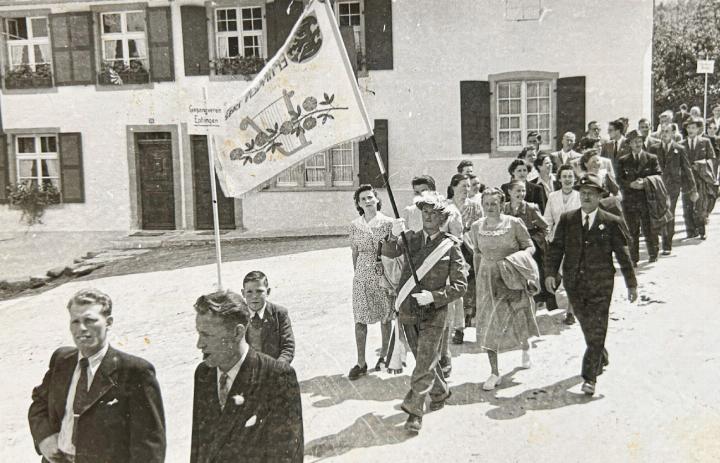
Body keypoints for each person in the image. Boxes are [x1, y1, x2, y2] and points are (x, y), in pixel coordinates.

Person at [29, 289, 166, 463]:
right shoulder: (61, 360)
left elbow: (149, 445)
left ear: (108, 323)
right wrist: (44, 438)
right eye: (75, 321)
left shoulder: (135, 371)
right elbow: (39, 403)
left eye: (90, 320)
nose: (81, 329)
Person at [382, 191, 467, 433]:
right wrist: (391, 234)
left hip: (435, 312)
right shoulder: (410, 239)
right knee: (425, 360)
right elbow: (389, 254)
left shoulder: (450, 247)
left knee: (423, 363)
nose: (429, 217)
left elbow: (461, 286)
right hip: (409, 308)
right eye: (425, 212)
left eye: (434, 213)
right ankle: (440, 391)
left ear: (443, 218)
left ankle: (414, 412)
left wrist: (435, 296)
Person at [545, 174, 638, 396]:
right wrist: (550, 274)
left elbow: (623, 256)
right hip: (574, 283)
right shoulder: (568, 219)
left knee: (598, 326)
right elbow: (556, 248)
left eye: (591, 193)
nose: (585, 196)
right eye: (583, 193)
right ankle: (600, 354)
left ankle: (590, 378)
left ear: (599, 196)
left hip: (601, 284)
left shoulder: (611, 221)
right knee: (588, 325)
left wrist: (631, 284)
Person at [191, 290, 303, 463]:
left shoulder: (277, 377)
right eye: (199, 333)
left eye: (207, 335)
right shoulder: (203, 374)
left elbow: (288, 455)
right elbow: (199, 447)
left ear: (237, 332)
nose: (199, 344)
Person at [467, 189, 540, 391]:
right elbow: (476, 254)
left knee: (518, 318)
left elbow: (530, 246)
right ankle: (494, 372)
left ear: (502, 204)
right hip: (487, 280)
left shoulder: (514, 223)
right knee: (489, 323)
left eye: (494, 203)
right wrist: (476, 283)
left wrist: (515, 261)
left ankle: (525, 347)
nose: (490, 208)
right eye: (487, 204)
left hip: (511, 277)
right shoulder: (476, 227)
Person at [348, 184, 394, 378]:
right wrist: (358, 274)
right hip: (361, 276)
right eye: (363, 199)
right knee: (360, 319)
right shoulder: (354, 225)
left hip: (382, 272)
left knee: (385, 316)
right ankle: (361, 362)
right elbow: (354, 252)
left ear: (377, 199)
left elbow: (393, 252)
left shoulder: (388, 223)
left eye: (370, 197)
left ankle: (384, 356)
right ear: (358, 204)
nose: (367, 201)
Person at [503, 180, 555, 312]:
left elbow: (545, 227)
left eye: (523, 190)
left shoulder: (531, 208)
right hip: (510, 249)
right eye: (518, 191)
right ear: (509, 192)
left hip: (529, 250)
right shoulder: (504, 208)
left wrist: (535, 240)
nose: (521, 194)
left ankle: (532, 313)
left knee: (531, 283)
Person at [445, 173, 483, 346]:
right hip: (451, 251)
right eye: (463, 186)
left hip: (470, 250)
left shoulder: (475, 206)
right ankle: (457, 328)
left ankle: (470, 323)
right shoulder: (445, 207)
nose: (467, 190)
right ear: (453, 188)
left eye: (468, 186)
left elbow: (481, 229)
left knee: (472, 288)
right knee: (454, 290)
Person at [647, 125, 698, 254]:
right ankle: (656, 244)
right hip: (656, 187)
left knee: (669, 213)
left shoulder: (679, 149)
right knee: (657, 213)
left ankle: (667, 245)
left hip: (673, 188)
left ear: (673, 133)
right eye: (662, 132)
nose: (664, 134)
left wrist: (693, 189)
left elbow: (687, 169)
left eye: (667, 132)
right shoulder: (653, 148)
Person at [617, 130, 663, 264]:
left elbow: (658, 175)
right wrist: (630, 184)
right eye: (634, 142)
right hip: (630, 200)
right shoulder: (623, 160)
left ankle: (653, 254)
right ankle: (633, 258)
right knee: (632, 230)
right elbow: (619, 179)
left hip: (647, 199)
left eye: (639, 141)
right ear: (629, 144)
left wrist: (645, 182)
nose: (637, 144)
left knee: (649, 228)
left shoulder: (651, 158)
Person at [543, 165, 581, 324]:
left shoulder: (580, 196)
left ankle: (571, 312)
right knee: (555, 274)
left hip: (575, 242)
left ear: (574, 179)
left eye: (570, 176)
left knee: (573, 277)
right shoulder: (553, 197)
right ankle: (550, 301)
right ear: (559, 179)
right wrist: (548, 236)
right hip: (556, 242)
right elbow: (547, 220)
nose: (567, 179)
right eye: (564, 176)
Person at [241, 271, 295, 363]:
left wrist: (276, 368)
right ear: (243, 293)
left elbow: (288, 347)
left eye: (259, 291)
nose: (254, 296)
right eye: (249, 292)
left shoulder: (279, 314)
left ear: (268, 292)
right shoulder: (238, 315)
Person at [682, 118, 717, 239]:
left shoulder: (705, 142)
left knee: (700, 205)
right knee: (687, 205)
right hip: (686, 179)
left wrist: (701, 164)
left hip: (701, 178)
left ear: (698, 129)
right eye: (689, 128)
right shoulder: (682, 144)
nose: (691, 130)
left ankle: (702, 230)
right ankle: (691, 231)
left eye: (693, 128)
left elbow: (712, 158)